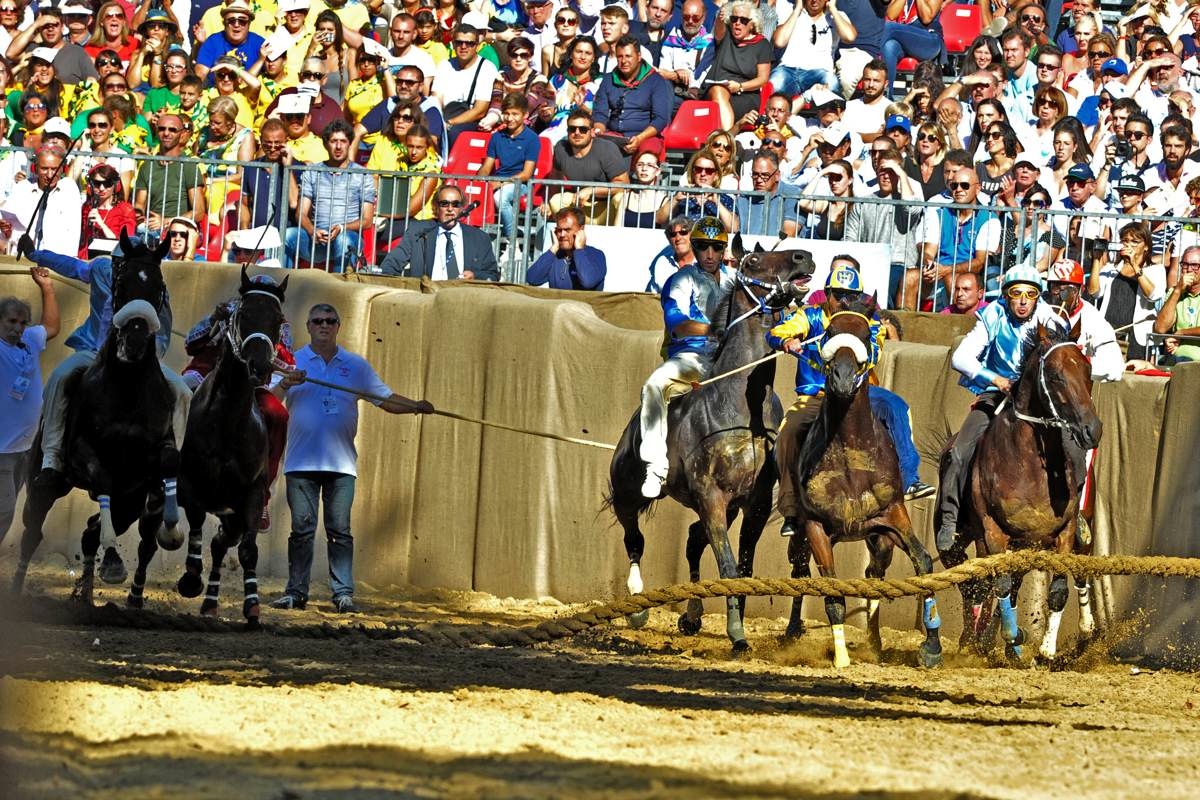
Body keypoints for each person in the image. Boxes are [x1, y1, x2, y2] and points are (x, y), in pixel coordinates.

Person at [269, 302, 434, 613]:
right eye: (317, 320)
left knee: (339, 531)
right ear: (308, 326)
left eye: (330, 320)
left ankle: (343, 594)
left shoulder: (355, 366)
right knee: (301, 531)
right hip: (300, 463)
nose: (324, 325)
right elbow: (267, 400)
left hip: (341, 465)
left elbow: (384, 399)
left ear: (338, 327)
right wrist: (287, 383)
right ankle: (295, 593)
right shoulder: (292, 363)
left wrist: (415, 406)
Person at [768, 259, 936, 536]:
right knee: (788, 433)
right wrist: (786, 341)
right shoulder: (809, 316)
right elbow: (776, 332)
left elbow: (875, 350)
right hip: (817, 396)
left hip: (859, 396)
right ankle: (791, 508)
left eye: (851, 296)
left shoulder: (867, 322)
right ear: (827, 294)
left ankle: (909, 480)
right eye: (838, 295)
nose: (844, 301)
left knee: (897, 406)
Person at [20, 235, 192, 488]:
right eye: (115, 262)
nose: (116, 268)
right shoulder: (101, 268)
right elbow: (72, 266)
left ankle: (172, 471)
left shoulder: (150, 283)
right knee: (59, 377)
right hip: (92, 351)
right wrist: (36, 255)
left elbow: (164, 327)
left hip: (141, 357)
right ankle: (52, 457)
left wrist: (151, 358)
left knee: (183, 391)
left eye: (121, 263)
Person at [937, 264, 1066, 549]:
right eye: (1015, 293)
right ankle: (951, 518)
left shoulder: (1049, 318)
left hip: (1040, 402)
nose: (1022, 300)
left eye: (1029, 294)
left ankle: (1074, 516)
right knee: (959, 451)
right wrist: (995, 378)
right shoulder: (992, 315)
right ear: (1006, 295)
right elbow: (961, 358)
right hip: (996, 395)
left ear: (1038, 297)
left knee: (1074, 443)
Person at [636, 216, 732, 497]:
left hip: (728, 360)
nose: (710, 254)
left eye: (716, 247)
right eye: (703, 247)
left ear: (724, 249)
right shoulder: (681, 279)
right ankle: (655, 465)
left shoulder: (735, 280)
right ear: (695, 247)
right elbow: (676, 321)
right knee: (655, 385)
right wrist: (713, 328)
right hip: (691, 359)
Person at [0, 267, 59, 545]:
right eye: (11, 321)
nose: (17, 328)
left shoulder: (30, 341)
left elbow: (51, 327)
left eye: (22, 323)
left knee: (5, 514)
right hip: (1, 450)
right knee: (4, 511)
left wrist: (46, 287)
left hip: (24, 448)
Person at [285, 119, 376, 272]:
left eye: (343, 141)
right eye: (334, 141)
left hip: (347, 237)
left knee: (344, 240)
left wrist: (341, 228)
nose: (339, 146)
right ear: (326, 144)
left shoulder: (363, 175)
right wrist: (312, 230)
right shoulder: (312, 171)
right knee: (287, 236)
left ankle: (338, 290)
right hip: (316, 238)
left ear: (350, 143)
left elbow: (367, 221)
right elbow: (300, 214)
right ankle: (279, 287)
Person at [378, 184, 500, 280]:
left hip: (463, 300)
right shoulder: (418, 231)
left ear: (462, 208)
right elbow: (391, 265)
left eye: (455, 204)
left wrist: (474, 276)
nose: (450, 209)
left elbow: (492, 275)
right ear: (436, 207)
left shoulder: (479, 238)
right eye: (444, 204)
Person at [477, 92, 540, 263]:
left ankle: (513, 245)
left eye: (515, 114)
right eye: (506, 113)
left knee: (501, 197)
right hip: (500, 181)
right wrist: (479, 181)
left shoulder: (532, 138)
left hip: (522, 184)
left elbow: (526, 174)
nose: (509, 118)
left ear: (525, 115)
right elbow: (488, 166)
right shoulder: (497, 137)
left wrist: (500, 183)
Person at [1044, 258, 1126, 381]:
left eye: (1067, 290)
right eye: (1056, 288)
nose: (1061, 296)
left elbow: (1114, 367)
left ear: (1080, 291)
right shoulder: (1038, 307)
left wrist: (1076, 362)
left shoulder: (1093, 319)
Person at [547, 107, 630, 224]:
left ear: (592, 132)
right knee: (555, 201)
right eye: (572, 129)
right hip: (579, 205)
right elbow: (555, 180)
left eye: (583, 129)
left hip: (606, 207)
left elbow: (624, 184)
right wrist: (547, 204)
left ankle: (614, 239)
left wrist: (591, 190)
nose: (577, 133)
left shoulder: (607, 148)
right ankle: (571, 234)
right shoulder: (561, 148)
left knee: (620, 198)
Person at [592, 35, 672, 155]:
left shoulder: (656, 80)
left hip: (644, 136)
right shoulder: (608, 80)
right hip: (614, 135)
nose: (624, 61)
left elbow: (660, 119)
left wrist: (639, 138)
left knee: (647, 152)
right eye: (620, 56)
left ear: (639, 57)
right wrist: (599, 130)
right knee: (594, 147)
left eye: (628, 56)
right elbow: (600, 114)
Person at [133, 113, 205, 245]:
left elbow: (199, 212)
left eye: (172, 130)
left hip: (179, 231)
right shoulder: (147, 166)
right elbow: (139, 204)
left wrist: (166, 221)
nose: (166, 133)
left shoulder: (189, 166)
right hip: (150, 228)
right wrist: (140, 216)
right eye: (162, 129)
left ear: (182, 134)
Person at [0, 146, 82, 258]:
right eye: (44, 168)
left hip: (60, 263)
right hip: (25, 260)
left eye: (54, 169)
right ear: (35, 168)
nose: (50, 175)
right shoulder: (21, 188)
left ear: (63, 169)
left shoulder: (69, 188)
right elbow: (9, 231)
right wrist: (6, 230)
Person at [704, 2, 773, 131]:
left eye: (743, 20)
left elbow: (763, 79)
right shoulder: (726, 36)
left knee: (722, 96)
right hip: (717, 89)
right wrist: (720, 18)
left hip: (745, 94)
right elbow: (718, 31)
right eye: (734, 19)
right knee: (718, 90)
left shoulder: (762, 45)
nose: (737, 23)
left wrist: (740, 87)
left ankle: (726, 140)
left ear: (752, 24)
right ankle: (728, 139)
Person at [771, 0, 857, 98]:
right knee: (774, 84)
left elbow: (850, 37)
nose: (814, 0)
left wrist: (833, 9)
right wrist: (797, 10)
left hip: (820, 72)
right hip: (788, 69)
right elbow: (779, 42)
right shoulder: (790, 11)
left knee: (832, 83)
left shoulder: (837, 15)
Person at [526, 206, 607, 290]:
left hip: (583, 303)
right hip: (557, 303)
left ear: (581, 229)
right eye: (559, 230)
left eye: (567, 230)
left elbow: (588, 282)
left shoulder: (596, 255)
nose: (562, 235)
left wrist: (579, 250)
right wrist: (554, 248)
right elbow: (532, 279)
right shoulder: (555, 256)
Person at [1153, 246, 1200, 363]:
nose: (1189, 269)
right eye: (1185, 264)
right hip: (1177, 362)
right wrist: (1178, 290)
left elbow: (1178, 333)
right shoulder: (1174, 292)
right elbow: (1160, 328)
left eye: (1195, 265)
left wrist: (1181, 333)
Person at [79, 163, 135, 259]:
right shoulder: (87, 207)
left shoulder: (125, 210)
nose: (101, 188)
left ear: (115, 185)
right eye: (96, 184)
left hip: (112, 259)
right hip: (87, 258)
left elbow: (125, 246)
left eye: (107, 184)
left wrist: (102, 224)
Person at [645, 215, 697, 294]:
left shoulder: (706, 262)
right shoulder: (662, 263)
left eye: (683, 232)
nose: (678, 238)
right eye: (673, 234)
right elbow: (652, 297)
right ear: (669, 240)